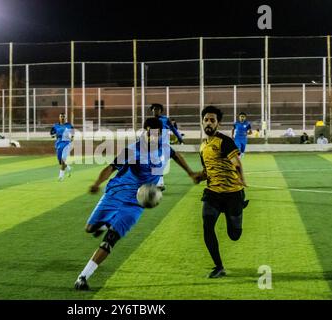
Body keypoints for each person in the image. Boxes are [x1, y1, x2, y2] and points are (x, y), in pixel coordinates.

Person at [74, 117, 199, 290]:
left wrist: (191, 173)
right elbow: (111, 167)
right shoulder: (132, 150)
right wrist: (96, 183)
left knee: (110, 240)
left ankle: (83, 277)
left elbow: (176, 155)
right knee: (90, 228)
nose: (152, 136)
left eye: (156, 133)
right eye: (149, 132)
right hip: (117, 193)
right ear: (144, 131)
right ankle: (104, 224)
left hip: (136, 203)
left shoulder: (164, 147)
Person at [195, 105, 249, 279]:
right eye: (206, 120)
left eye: (212, 120)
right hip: (213, 193)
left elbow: (237, 162)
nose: (209, 123)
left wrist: (242, 179)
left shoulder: (224, 141)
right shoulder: (202, 146)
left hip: (233, 193)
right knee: (207, 226)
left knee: (234, 235)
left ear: (218, 123)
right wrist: (199, 176)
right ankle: (219, 267)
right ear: (202, 122)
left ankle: (239, 207)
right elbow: (207, 170)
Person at [150, 103, 184, 191]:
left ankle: (160, 182)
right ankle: (158, 182)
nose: (155, 111)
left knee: (161, 163)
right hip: (153, 146)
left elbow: (173, 128)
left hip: (164, 145)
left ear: (161, 111)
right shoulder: (150, 121)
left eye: (157, 109)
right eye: (154, 109)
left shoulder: (165, 119)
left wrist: (179, 137)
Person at [50, 113, 74, 181]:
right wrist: (53, 135)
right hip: (58, 144)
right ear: (59, 117)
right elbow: (52, 133)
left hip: (67, 144)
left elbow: (72, 132)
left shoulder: (68, 125)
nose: (62, 117)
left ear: (65, 118)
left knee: (63, 159)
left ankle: (61, 176)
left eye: (63, 116)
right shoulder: (55, 126)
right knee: (60, 162)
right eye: (61, 116)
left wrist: (72, 137)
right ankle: (68, 167)